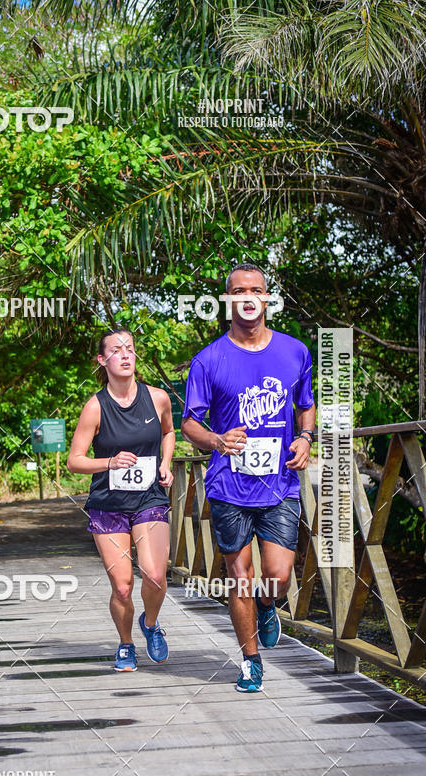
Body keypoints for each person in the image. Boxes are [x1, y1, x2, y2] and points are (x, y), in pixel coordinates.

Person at [181, 263, 316, 693]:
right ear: (228, 300)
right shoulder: (209, 359)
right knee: (237, 574)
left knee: (277, 575)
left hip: (279, 483)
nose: (247, 296)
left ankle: (267, 602)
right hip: (228, 485)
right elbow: (189, 424)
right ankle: (250, 660)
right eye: (238, 290)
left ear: (267, 297)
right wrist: (218, 440)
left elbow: (305, 404)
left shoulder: (295, 352)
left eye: (255, 289)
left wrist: (307, 437)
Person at [67, 329, 175, 671]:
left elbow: (169, 432)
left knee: (155, 575)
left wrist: (165, 463)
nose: (126, 354)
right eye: (117, 350)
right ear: (103, 360)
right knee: (124, 586)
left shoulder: (158, 398)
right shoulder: (95, 407)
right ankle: (126, 644)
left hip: (149, 499)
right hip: (109, 504)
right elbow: (75, 461)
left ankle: (151, 623)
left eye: (130, 348)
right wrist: (109, 462)